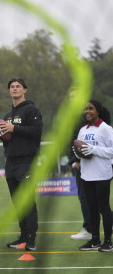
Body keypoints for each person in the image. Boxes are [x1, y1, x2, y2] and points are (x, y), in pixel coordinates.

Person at [0, 78, 43, 251]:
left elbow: (36, 132)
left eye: (18, 86)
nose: (14, 89)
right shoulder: (8, 115)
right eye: (12, 87)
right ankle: (23, 237)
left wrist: (13, 128)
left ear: (25, 90)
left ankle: (31, 239)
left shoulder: (31, 110)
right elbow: (9, 141)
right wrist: (2, 133)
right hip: (11, 162)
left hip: (27, 161)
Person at [74, 99, 113, 252]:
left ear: (98, 111)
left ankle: (108, 242)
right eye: (86, 109)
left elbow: (111, 151)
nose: (87, 111)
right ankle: (95, 240)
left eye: (91, 108)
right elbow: (80, 149)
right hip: (86, 174)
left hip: (102, 174)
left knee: (104, 207)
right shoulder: (83, 130)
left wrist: (93, 149)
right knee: (91, 209)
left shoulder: (106, 129)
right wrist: (77, 155)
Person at [68, 88, 92, 240]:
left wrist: (77, 160)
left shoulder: (88, 118)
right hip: (78, 164)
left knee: (92, 197)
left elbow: (85, 141)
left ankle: (89, 230)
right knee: (85, 197)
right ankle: (89, 229)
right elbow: (70, 142)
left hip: (88, 164)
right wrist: (73, 160)